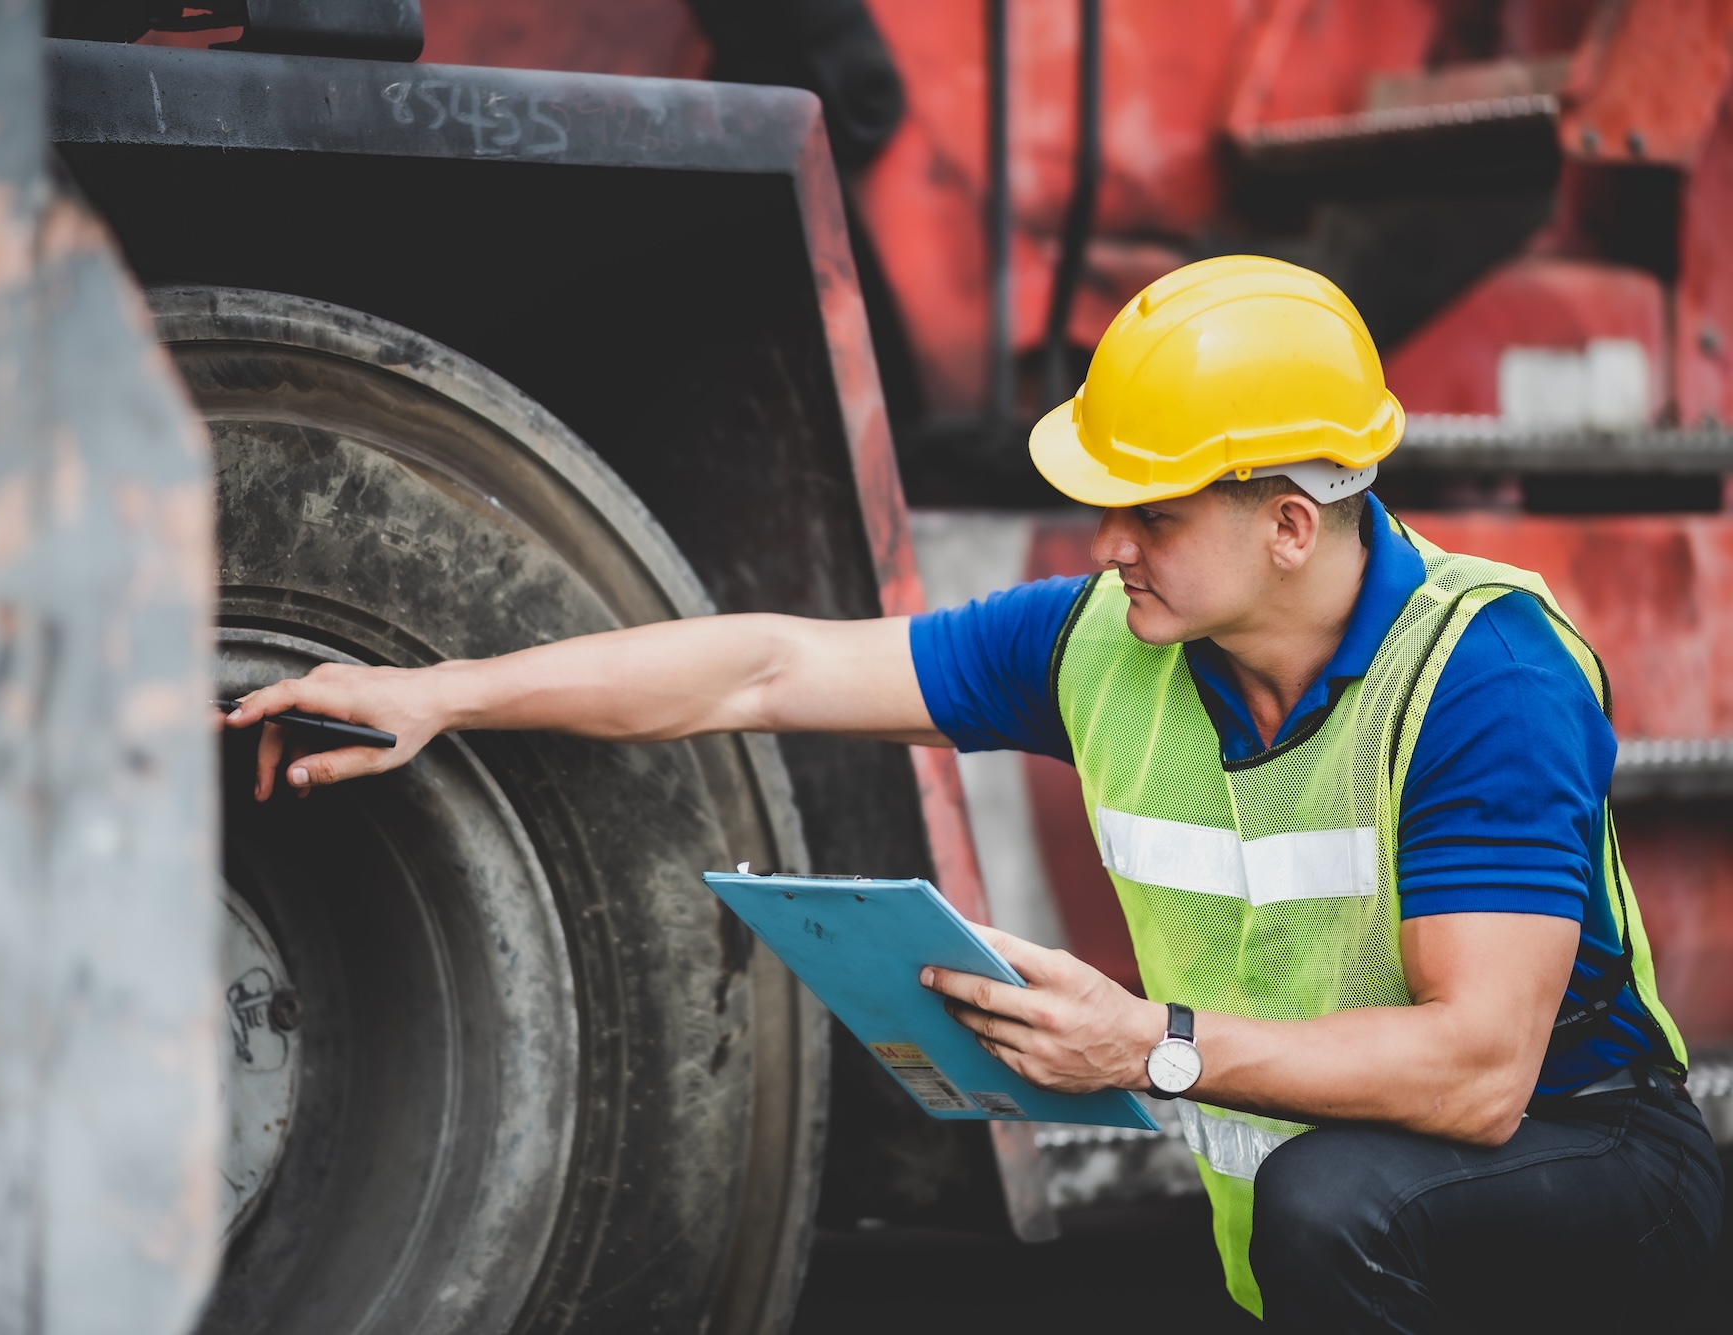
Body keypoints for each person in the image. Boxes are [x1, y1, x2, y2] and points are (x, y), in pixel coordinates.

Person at [221, 256, 1723, 1329]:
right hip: (1344, 1218)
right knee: (1322, 1212)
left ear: (1287, 523)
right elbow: (766, 671)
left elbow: (1475, 1076)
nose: (1106, 541)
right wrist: (442, 691)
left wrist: (1148, 1048)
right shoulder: (1105, 645)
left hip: (1593, 1187)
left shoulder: (1484, 674)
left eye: (1150, 509)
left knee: (1336, 1209)